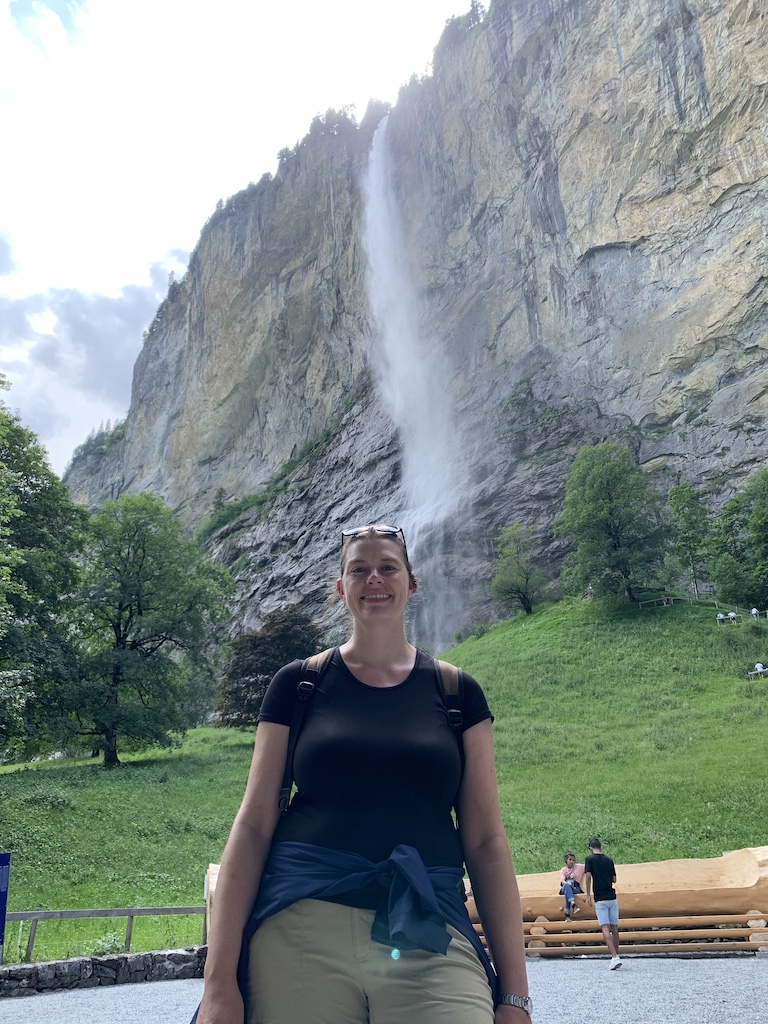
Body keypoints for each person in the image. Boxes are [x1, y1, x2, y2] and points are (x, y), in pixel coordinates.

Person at [194, 523, 531, 1024]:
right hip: (301, 925)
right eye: (359, 569)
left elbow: (485, 841)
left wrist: (515, 997)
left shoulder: (458, 693)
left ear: (411, 584)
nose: (374, 578)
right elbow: (254, 823)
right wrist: (219, 983)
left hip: (427, 925)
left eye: (388, 567)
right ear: (340, 587)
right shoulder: (299, 684)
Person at [584, 838, 622, 970]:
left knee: (605, 928)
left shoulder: (589, 859)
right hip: (612, 897)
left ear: (590, 848)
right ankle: (616, 955)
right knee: (614, 928)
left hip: (600, 898)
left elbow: (588, 876)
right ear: (601, 847)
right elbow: (614, 879)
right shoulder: (609, 860)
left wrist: (588, 894)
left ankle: (614, 957)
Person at [559, 851, 584, 920]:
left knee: (568, 893)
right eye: (570, 859)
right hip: (566, 886)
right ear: (566, 860)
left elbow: (589, 866)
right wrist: (567, 883)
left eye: (573, 860)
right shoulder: (563, 870)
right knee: (567, 886)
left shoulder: (579, 867)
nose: (572, 861)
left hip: (575, 887)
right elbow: (562, 881)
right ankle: (573, 904)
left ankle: (567, 914)